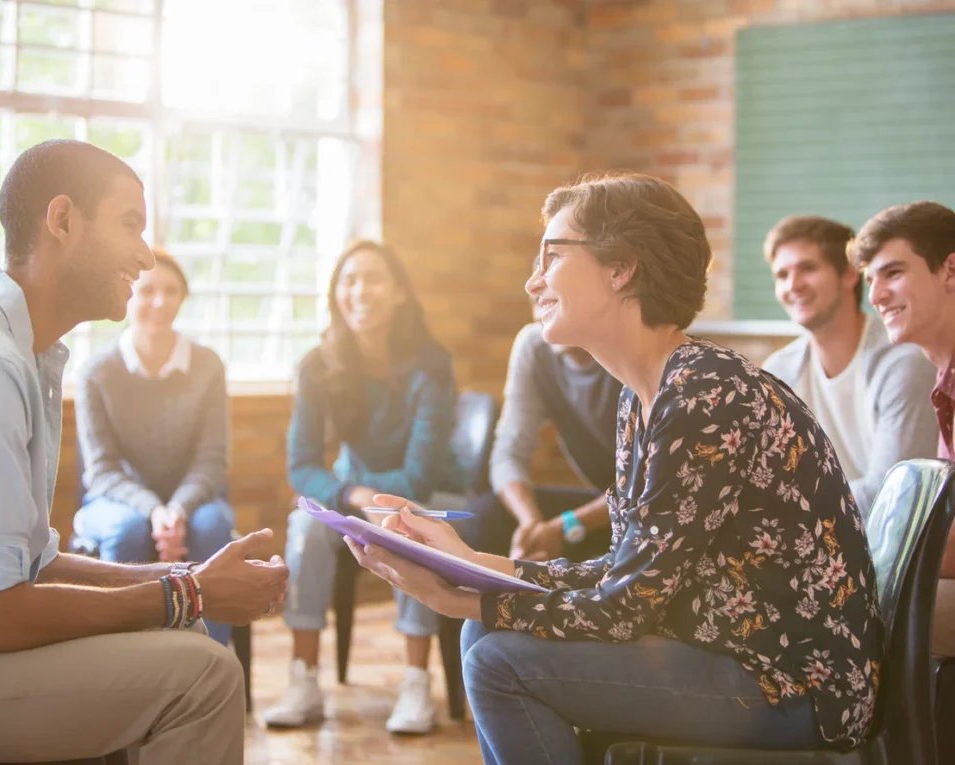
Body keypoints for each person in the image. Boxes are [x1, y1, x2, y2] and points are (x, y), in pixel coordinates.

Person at [344, 172, 886, 764]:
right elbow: (624, 570)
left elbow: (627, 606)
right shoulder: (645, 396)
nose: (533, 279)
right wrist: (470, 565)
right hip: (728, 652)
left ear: (621, 267)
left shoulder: (705, 393)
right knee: (488, 635)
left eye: (552, 256)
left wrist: (458, 598)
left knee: (497, 658)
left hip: (794, 684)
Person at [0, 140, 288, 764]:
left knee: (183, 630)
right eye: (131, 226)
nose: (147, 258)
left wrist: (185, 582)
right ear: (63, 220)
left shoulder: (28, 351)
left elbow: (31, 562)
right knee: (205, 677)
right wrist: (192, 593)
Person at [263, 240, 464, 735]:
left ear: (398, 293)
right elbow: (302, 466)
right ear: (336, 294)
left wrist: (360, 496)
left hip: (428, 496)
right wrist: (352, 497)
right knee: (305, 529)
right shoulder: (318, 364)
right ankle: (303, 677)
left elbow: (417, 478)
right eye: (348, 281)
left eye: (374, 279)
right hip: (353, 490)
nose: (360, 291)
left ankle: (417, 680)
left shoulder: (432, 367)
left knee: (404, 525)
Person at [73, 247, 235, 646]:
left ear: (183, 297)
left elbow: (211, 460)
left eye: (171, 291)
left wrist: (177, 509)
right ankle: (124, 661)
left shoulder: (208, 366)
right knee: (128, 531)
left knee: (212, 525)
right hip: (116, 502)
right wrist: (154, 510)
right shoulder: (96, 371)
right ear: (128, 293)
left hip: (193, 500)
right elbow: (102, 471)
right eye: (147, 291)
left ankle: (212, 662)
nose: (159, 302)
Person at [761, 215, 937, 516]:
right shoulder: (779, 371)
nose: (793, 285)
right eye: (781, 275)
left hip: (893, 553)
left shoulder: (904, 361)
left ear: (849, 274)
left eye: (808, 268)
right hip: (819, 544)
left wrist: (789, 509)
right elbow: (772, 480)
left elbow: (893, 496)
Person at [848, 200, 955, 657]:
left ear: (950, 270)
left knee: (843, 623)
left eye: (892, 273)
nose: (875, 295)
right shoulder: (943, 382)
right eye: (871, 280)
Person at [461, 301, 621, 563]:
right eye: (541, 302)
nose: (546, 311)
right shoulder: (535, 345)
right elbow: (507, 455)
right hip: (607, 505)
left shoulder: (633, 351)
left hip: (654, 510)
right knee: (485, 516)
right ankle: (486, 604)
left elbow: (650, 486)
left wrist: (563, 526)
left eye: (559, 299)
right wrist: (531, 523)